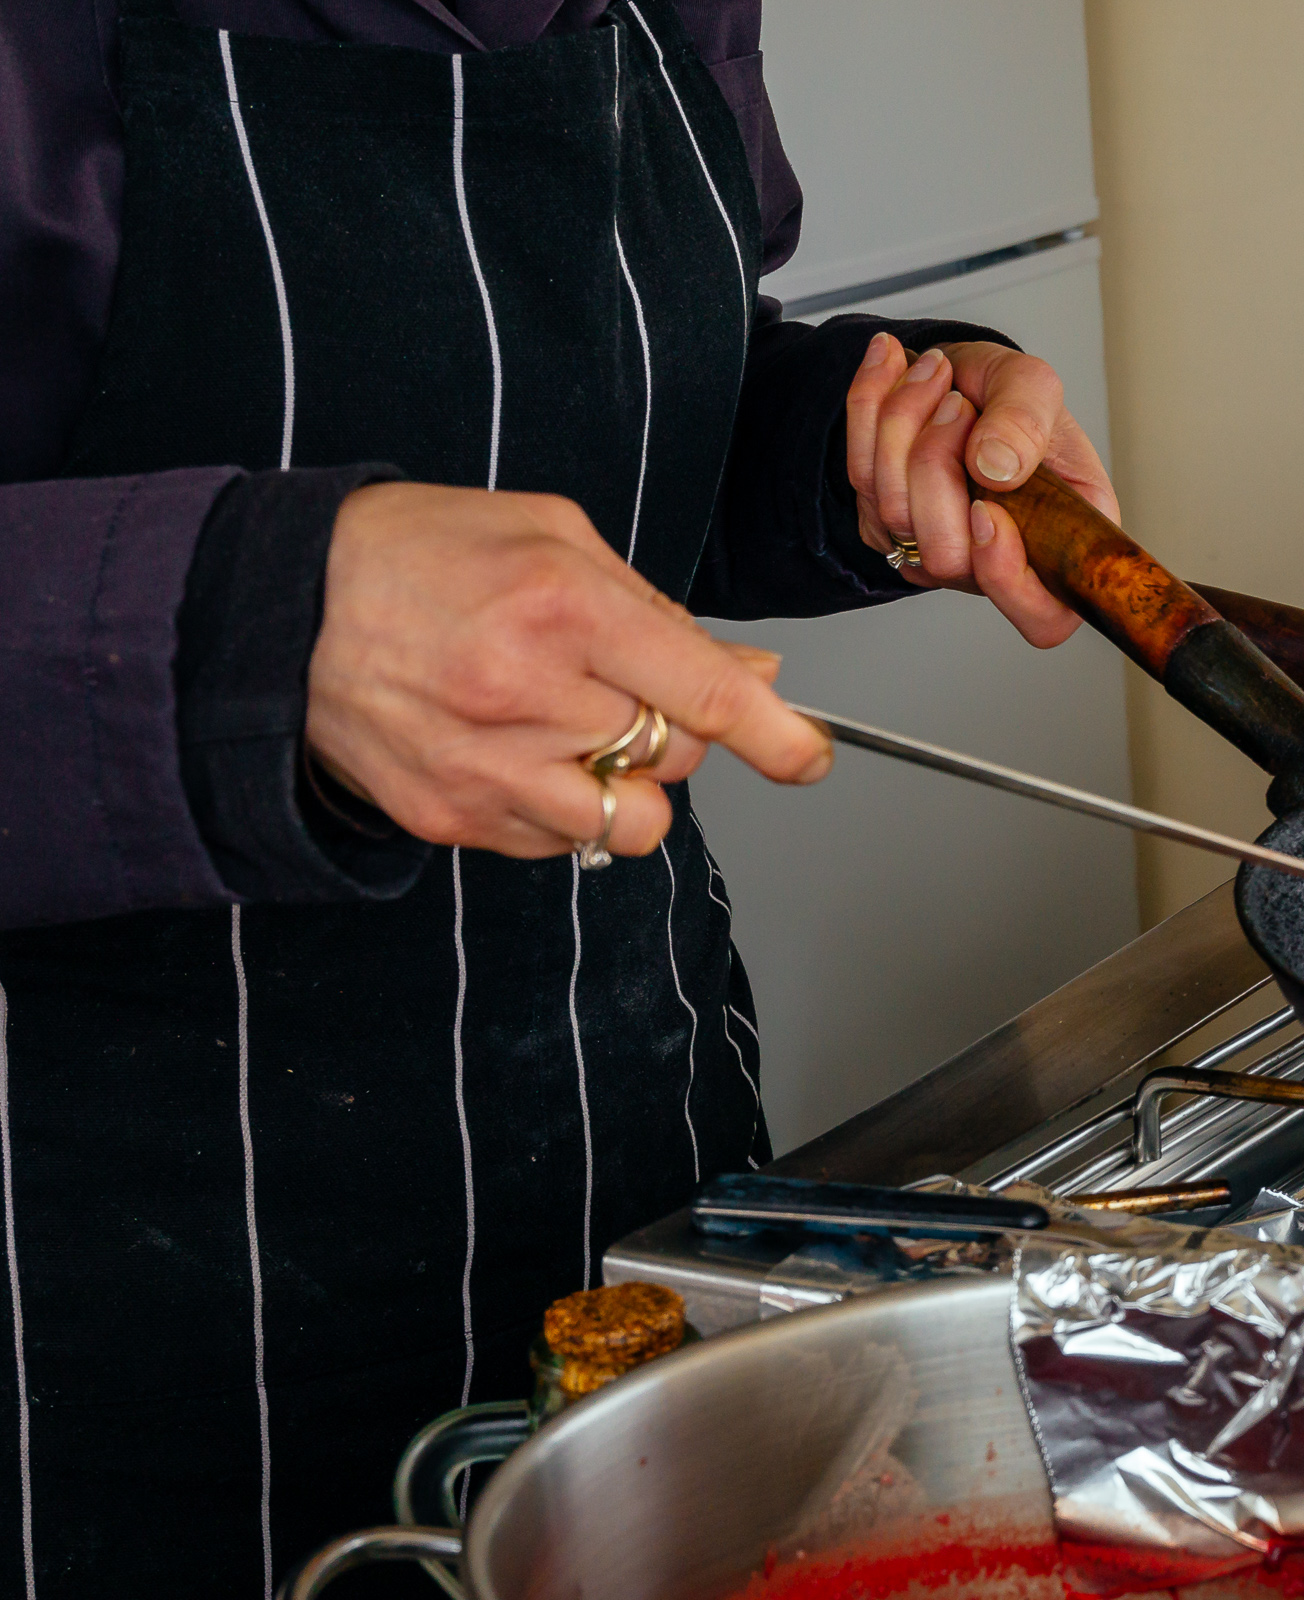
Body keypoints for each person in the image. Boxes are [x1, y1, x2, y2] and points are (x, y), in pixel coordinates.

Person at [0, 0, 1115, 1590]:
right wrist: (251, 632)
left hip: (626, 1164)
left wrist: (869, 449)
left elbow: (594, 403)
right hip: (95, 1310)